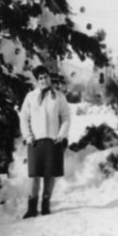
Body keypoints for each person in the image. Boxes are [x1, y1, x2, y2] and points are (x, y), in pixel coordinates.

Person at [20, 64, 71, 218]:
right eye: (40, 78)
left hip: (53, 140)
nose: (43, 80)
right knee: (34, 176)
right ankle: (32, 208)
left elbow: (66, 118)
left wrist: (61, 135)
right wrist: (28, 137)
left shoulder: (59, 97)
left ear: (49, 78)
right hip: (35, 141)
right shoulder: (30, 97)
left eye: (46, 77)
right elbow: (23, 118)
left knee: (50, 175)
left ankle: (46, 205)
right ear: (37, 80)